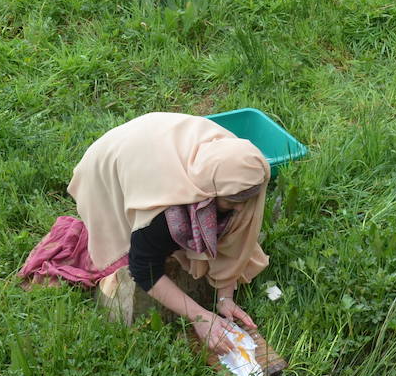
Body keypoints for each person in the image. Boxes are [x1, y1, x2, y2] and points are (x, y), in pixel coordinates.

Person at [22, 112, 272, 356]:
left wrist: (224, 297)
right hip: (112, 159)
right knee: (130, 242)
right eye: (232, 202)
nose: (242, 208)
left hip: (161, 140)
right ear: (207, 194)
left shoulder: (238, 161)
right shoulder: (162, 212)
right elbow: (143, 269)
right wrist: (199, 316)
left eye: (247, 200)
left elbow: (237, 231)